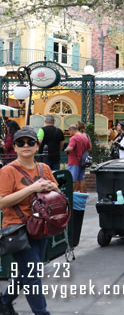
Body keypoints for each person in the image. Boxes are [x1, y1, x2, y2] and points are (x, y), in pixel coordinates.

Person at [0, 126, 60, 315]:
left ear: (37, 146)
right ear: (15, 148)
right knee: (33, 275)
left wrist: (52, 187)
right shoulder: (7, 171)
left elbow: (57, 194)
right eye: (20, 142)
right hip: (17, 228)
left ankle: (4, 301)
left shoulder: (44, 168)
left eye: (30, 142)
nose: (26, 145)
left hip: (41, 227)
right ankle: (42, 313)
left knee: (26, 272)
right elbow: (2, 202)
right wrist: (32, 188)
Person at [65, 125, 91, 193]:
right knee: (81, 178)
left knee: (72, 179)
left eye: (69, 132)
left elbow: (70, 148)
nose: (69, 134)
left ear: (72, 130)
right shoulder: (85, 137)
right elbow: (89, 148)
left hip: (74, 161)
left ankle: (72, 195)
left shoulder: (74, 138)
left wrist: (66, 150)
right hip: (82, 161)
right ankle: (83, 194)